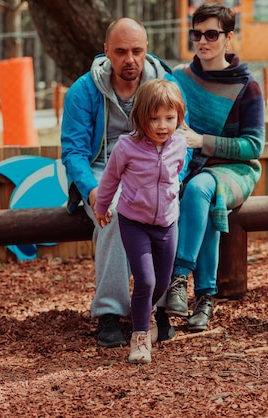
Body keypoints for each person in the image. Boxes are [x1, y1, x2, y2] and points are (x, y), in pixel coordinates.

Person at [61, 18, 178, 348]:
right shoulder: (84, 91)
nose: (130, 59)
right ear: (106, 52)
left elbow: (180, 138)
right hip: (101, 170)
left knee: (164, 214)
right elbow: (73, 151)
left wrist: (174, 181)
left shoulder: (165, 85)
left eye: (137, 51)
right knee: (112, 214)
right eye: (121, 51)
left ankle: (157, 308)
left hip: (150, 170)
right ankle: (110, 312)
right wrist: (91, 189)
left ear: (146, 51)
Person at [166, 2, 265, 331]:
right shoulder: (180, 78)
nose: (203, 41)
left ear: (229, 37)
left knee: (201, 189)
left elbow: (254, 147)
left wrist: (203, 141)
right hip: (189, 166)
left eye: (211, 34)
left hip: (236, 169)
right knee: (202, 196)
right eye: (197, 34)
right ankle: (205, 297)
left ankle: (179, 278)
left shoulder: (247, 87)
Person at [95, 79, 190, 363]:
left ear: (178, 118)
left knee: (161, 281)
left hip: (167, 223)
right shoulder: (127, 146)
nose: (162, 125)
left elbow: (177, 172)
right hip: (134, 221)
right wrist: (101, 206)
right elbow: (110, 178)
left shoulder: (180, 144)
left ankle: (143, 313)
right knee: (146, 280)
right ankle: (140, 337)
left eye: (169, 118)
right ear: (140, 118)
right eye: (154, 118)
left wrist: (171, 195)